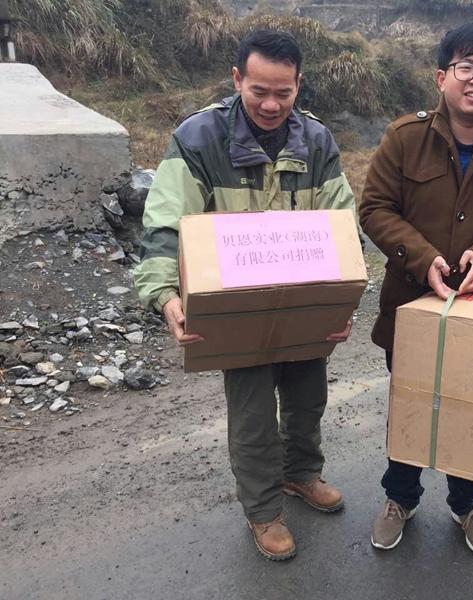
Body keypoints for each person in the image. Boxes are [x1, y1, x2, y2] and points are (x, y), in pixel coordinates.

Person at [133, 30, 357, 561]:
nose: (271, 105)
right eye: (259, 91)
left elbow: (342, 223)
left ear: (299, 84)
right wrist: (164, 293)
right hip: (237, 303)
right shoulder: (199, 137)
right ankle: (263, 509)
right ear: (237, 79)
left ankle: (301, 473)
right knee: (253, 411)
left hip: (303, 297)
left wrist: (343, 302)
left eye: (284, 93)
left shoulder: (317, 141)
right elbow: (166, 221)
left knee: (308, 396)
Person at [359, 22, 473, 555]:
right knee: (412, 404)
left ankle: (468, 503)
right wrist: (423, 260)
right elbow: (374, 209)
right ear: (442, 77)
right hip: (411, 306)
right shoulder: (404, 138)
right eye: (466, 67)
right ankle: (400, 497)